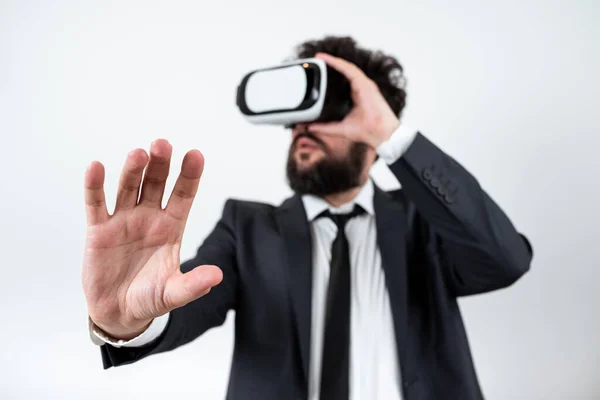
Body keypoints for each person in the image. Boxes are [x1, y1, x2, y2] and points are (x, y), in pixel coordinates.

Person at [82, 36, 533, 400]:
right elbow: (181, 305)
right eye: (297, 116)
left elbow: (505, 259)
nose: (304, 127)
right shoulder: (248, 228)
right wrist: (125, 321)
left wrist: (394, 136)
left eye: (329, 113)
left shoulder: (427, 224)